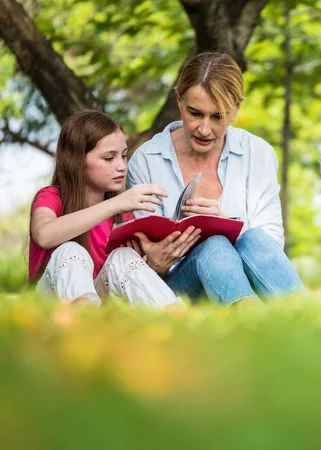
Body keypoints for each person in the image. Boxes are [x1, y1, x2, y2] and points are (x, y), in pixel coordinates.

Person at [127, 52, 305, 306]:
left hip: (250, 273)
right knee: (215, 245)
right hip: (176, 287)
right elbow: (136, 260)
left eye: (218, 116)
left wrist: (227, 223)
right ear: (179, 101)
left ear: (236, 110)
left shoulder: (258, 153)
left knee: (251, 237)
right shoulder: (147, 160)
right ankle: (256, 319)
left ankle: (301, 314)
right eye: (195, 113)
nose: (204, 129)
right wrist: (154, 261)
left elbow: (270, 243)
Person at [29, 110, 196, 308]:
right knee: (70, 249)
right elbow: (44, 235)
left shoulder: (123, 215)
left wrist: (155, 264)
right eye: (109, 158)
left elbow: (127, 281)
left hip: (101, 308)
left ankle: (173, 319)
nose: (122, 166)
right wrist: (115, 203)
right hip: (48, 306)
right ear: (77, 161)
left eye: (124, 156)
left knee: (124, 256)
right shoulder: (51, 197)